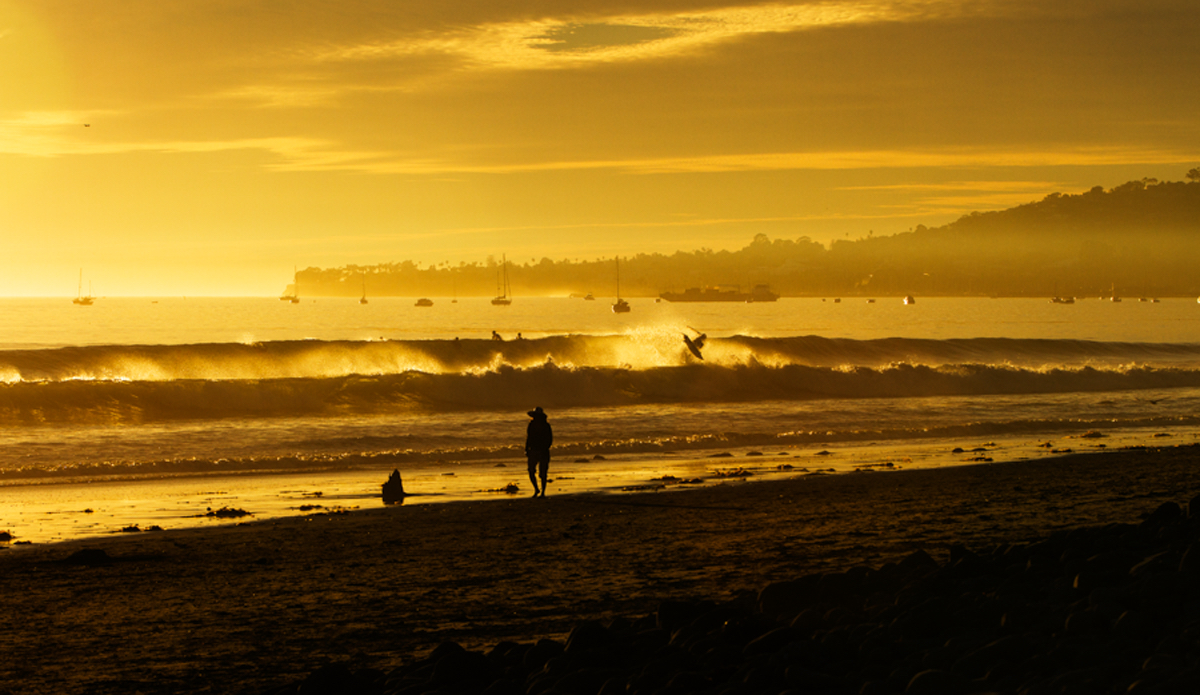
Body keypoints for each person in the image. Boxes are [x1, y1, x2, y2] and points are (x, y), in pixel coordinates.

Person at [525, 406, 553, 497]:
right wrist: (526, 449)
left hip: (541, 451)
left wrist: (545, 448)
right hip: (535, 450)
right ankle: (537, 489)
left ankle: (542, 492)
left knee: (542, 473)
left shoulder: (545, 426)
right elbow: (528, 438)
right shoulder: (532, 425)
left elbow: (549, 439)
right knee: (532, 471)